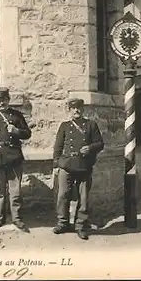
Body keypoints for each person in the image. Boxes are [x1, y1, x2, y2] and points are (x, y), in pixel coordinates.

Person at [52, 98, 104, 240]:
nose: (76, 110)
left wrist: (90, 148)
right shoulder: (64, 126)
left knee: (84, 197)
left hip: (84, 165)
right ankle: (62, 223)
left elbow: (100, 144)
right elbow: (58, 147)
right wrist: (56, 165)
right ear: (69, 110)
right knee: (63, 194)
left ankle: (80, 225)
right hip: (66, 164)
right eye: (73, 108)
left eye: (79, 108)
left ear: (83, 109)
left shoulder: (91, 125)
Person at [0, 88, 32, 232]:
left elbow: (27, 133)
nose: (1, 103)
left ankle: (16, 218)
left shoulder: (16, 116)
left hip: (14, 156)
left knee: (15, 190)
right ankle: (0, 217)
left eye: (3, 100)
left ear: (8, 100)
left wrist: (16, 131)